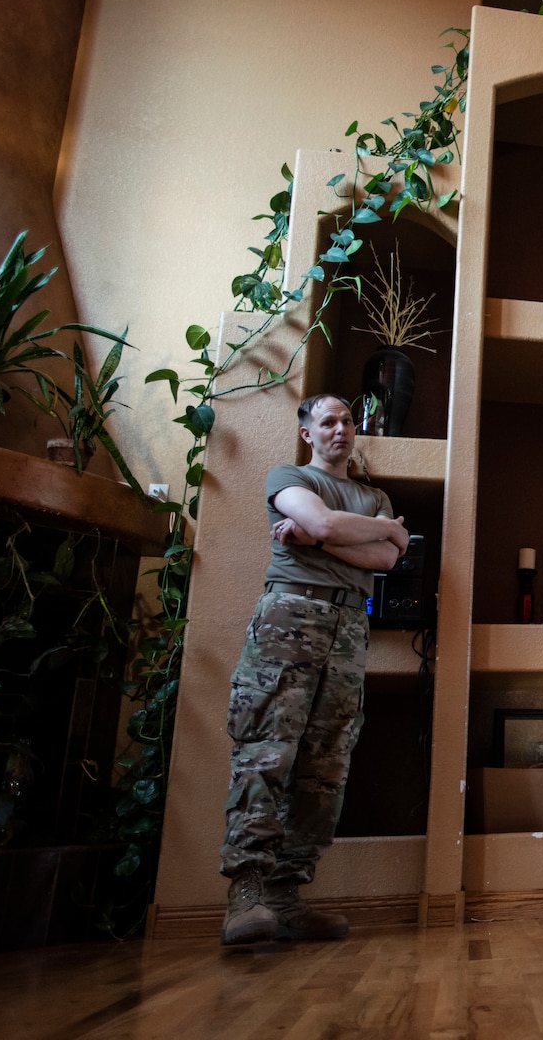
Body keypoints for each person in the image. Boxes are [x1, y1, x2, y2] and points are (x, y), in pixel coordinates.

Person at [219, 393, 407, 947]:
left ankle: (285, 896)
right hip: (289, 615)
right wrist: (374, 530)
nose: (341, 429)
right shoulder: (288, 476)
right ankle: (247, 895)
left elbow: (386, 561)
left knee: (327, 762)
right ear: (308, 432)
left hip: (349, 629)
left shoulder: (375, 495)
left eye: (348, 420)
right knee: (267, 749)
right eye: (328, 421)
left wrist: (323, 537)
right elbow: (324, 521)